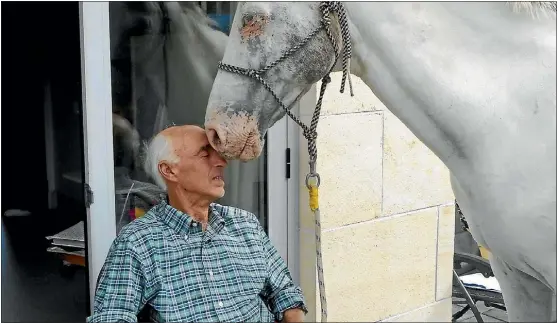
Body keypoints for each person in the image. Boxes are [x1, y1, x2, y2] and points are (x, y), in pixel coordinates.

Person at [87, 125, 307, 323]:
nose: (222, 161)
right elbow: (111, 317)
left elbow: (285, 293)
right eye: (205, 153)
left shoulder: (245, 224)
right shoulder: (137, 242)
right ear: (169, 170)